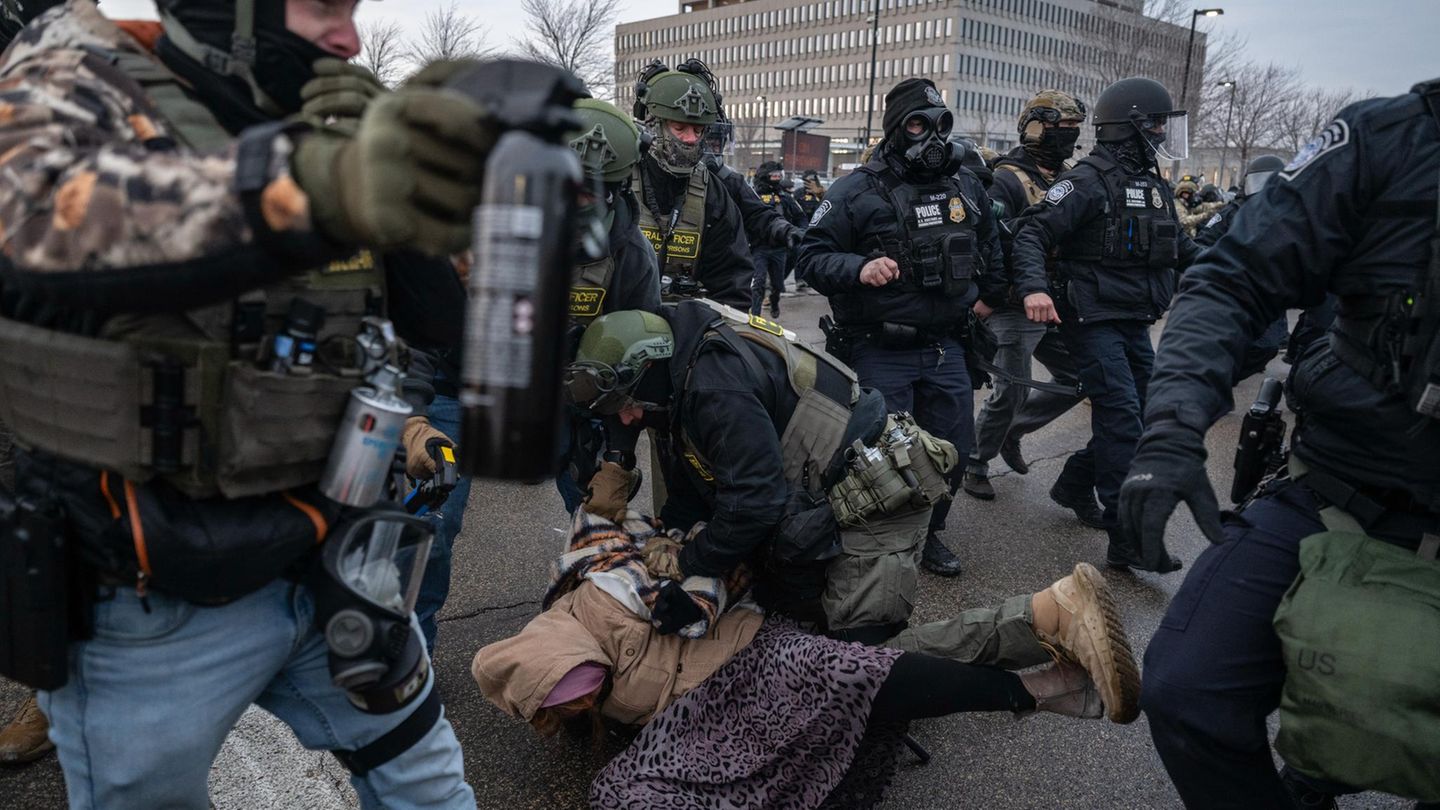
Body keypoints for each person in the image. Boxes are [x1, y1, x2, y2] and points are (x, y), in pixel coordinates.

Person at [0, 0, 534, 804]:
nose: (348, 38)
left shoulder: (318, 112)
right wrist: (315, 184)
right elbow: (42, 218)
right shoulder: (71, 68)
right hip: (148, 592)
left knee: (429, 785)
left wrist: (409, 192)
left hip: (333, 556)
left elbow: (436, 322)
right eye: (326, 7)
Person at [473, 461, 1142, 808]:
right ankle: (1045, 627)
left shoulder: (608, 598)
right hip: (730, 698)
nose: (576, 703)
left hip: (759, 658)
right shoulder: (564, 651)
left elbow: (656, 563)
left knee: (860, 675)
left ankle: (1046, 670)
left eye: (572, 693)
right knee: (874, 672)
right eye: (564, 706)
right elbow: (596, 527)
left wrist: (681, 578)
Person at [1123, 78, 1440, 808]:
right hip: (1341, 483)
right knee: (1186, 689)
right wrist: (1171, 429)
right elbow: (1233, 278)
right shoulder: (1389, 138)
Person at [799, 78, 1039, 577]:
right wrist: (859, 269)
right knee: (884, 454)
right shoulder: (856, 190)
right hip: (879, 347)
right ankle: (876, 542)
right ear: (895, 129)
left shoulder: (966, 185)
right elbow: (810, 256)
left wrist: (985, 303)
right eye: (916, 125)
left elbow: (994, 246)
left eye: (939, 126)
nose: (930, 137)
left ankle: (929, 536)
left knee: (952, 450)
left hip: (947, 347)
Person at [1010, 76, 1200, 573]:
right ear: (1129, 126)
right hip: (1090, 318)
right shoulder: (1085, 180)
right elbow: (1031, 233)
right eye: (1156, 124)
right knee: (1121, 417)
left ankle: (1074, 483)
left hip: (1134, 319)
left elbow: (1181, 249)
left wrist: (1237, 271)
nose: (1161, 134)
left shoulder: (1154, 185)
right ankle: (1128, 537)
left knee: (1144, 415)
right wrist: (1034, 288)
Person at [960, 91, 1092, 520]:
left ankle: (1012, 432)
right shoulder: (1008, 179)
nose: (1068, 138)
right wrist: (992, 297)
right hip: (1014, 301)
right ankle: (977, 460)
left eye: (1073, 131)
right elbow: (992, 242)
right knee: (1011, 389)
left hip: (1056, 302)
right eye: (1060, 130)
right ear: (1035, 128)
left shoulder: (1068, 177)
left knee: (1078, 377)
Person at [555, 98, 663, 513]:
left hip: (583, 401)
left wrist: (617, 460)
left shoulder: (633, 258)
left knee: (595, 510)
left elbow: (634, 373)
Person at [632, 63, 755, 307]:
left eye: (698, 130)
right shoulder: (620, 182)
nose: (690, 138)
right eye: (680, 128)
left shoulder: (713, 192)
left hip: (688, 327)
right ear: (652, 124)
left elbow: (733, 283)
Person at [1194, 154, 1289, 384]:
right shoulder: (1231, 212)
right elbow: (1202, 242)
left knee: (1268, 346)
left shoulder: (1288, 214)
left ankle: (1223, 377)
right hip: (1234, 289)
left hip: (1269, 293)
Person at [748, 160, 806, 318]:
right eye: (773, 174)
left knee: (777, 284)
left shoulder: (785, 198)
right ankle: (755, 316)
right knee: (758, 282)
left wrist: (801, 233)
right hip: (759, 247)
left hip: (780, 248)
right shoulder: (753, 196)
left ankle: (774, 301)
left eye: (778, 174)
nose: (777, 177)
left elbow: (800, 217)